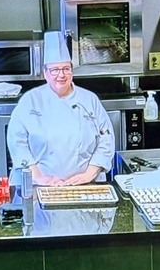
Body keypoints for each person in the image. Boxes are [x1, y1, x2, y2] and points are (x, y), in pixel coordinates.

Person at [7, 31, 115, 188]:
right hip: (39, 186)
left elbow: (106, 138)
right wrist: (38, 176)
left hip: (83, 186)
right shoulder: (31, 101)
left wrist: (89, 173)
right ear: (45, 73)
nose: (61, 75)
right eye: (55, 70)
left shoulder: (89, 100)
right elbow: (17, 141)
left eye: (66, 69)